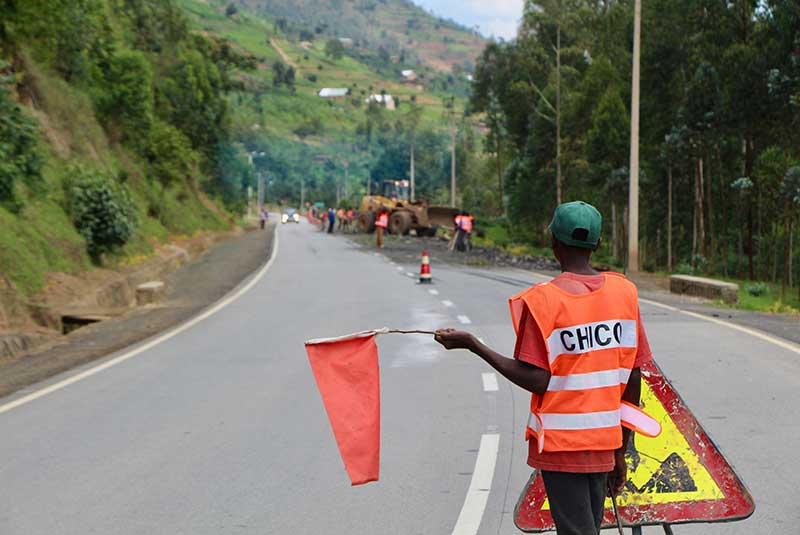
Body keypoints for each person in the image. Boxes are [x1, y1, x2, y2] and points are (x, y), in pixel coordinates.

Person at [434, 201, 656, 535]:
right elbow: (633, 377)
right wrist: (620, 450)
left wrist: (475, 346)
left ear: (553, 241)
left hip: (563, 447)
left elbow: (538, 379)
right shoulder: (624, 294)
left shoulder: (543, 302)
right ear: (597, 244)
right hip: (606, 442)